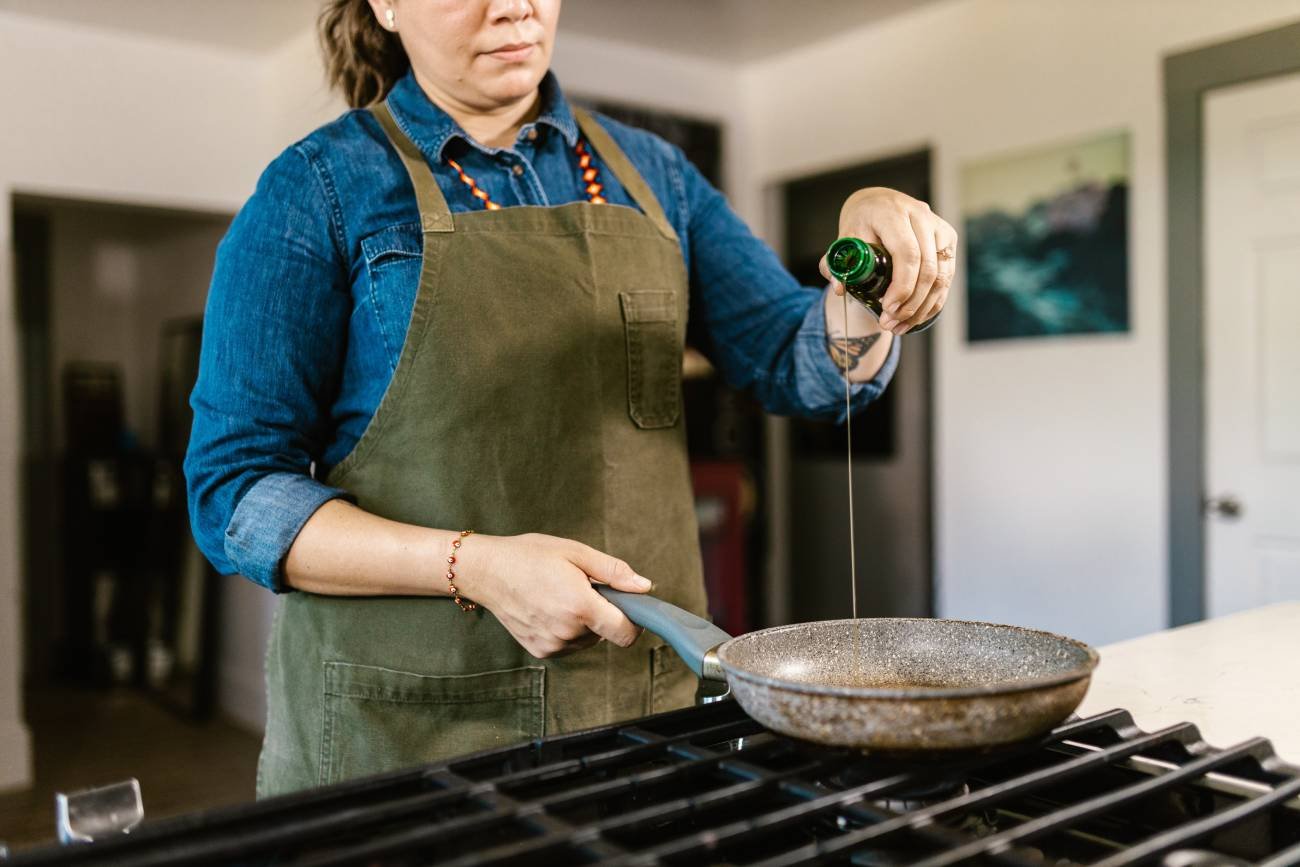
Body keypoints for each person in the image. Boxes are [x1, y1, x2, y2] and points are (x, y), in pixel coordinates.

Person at [184, 0, 957, 798]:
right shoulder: (316, 190)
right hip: (413, 739)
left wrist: (870, 268)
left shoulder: (654, 176)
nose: (514, 6)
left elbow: (807, 366)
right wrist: (474, 565)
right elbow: (235, 493)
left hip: (639, 721)